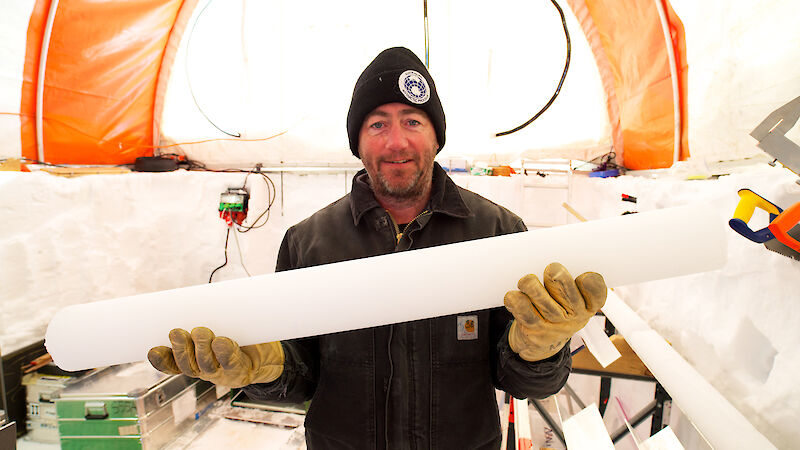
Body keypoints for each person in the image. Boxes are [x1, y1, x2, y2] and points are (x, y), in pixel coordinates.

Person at [148, 47, 607, 448]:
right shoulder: (309, 243)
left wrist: (542, 349)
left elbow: (524, 383)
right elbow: (299, 376)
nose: (397, 141)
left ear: (435, 136)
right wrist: (261, 371)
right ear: (357, 141)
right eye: (377, 123)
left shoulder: (498, 232)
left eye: (412, 121)